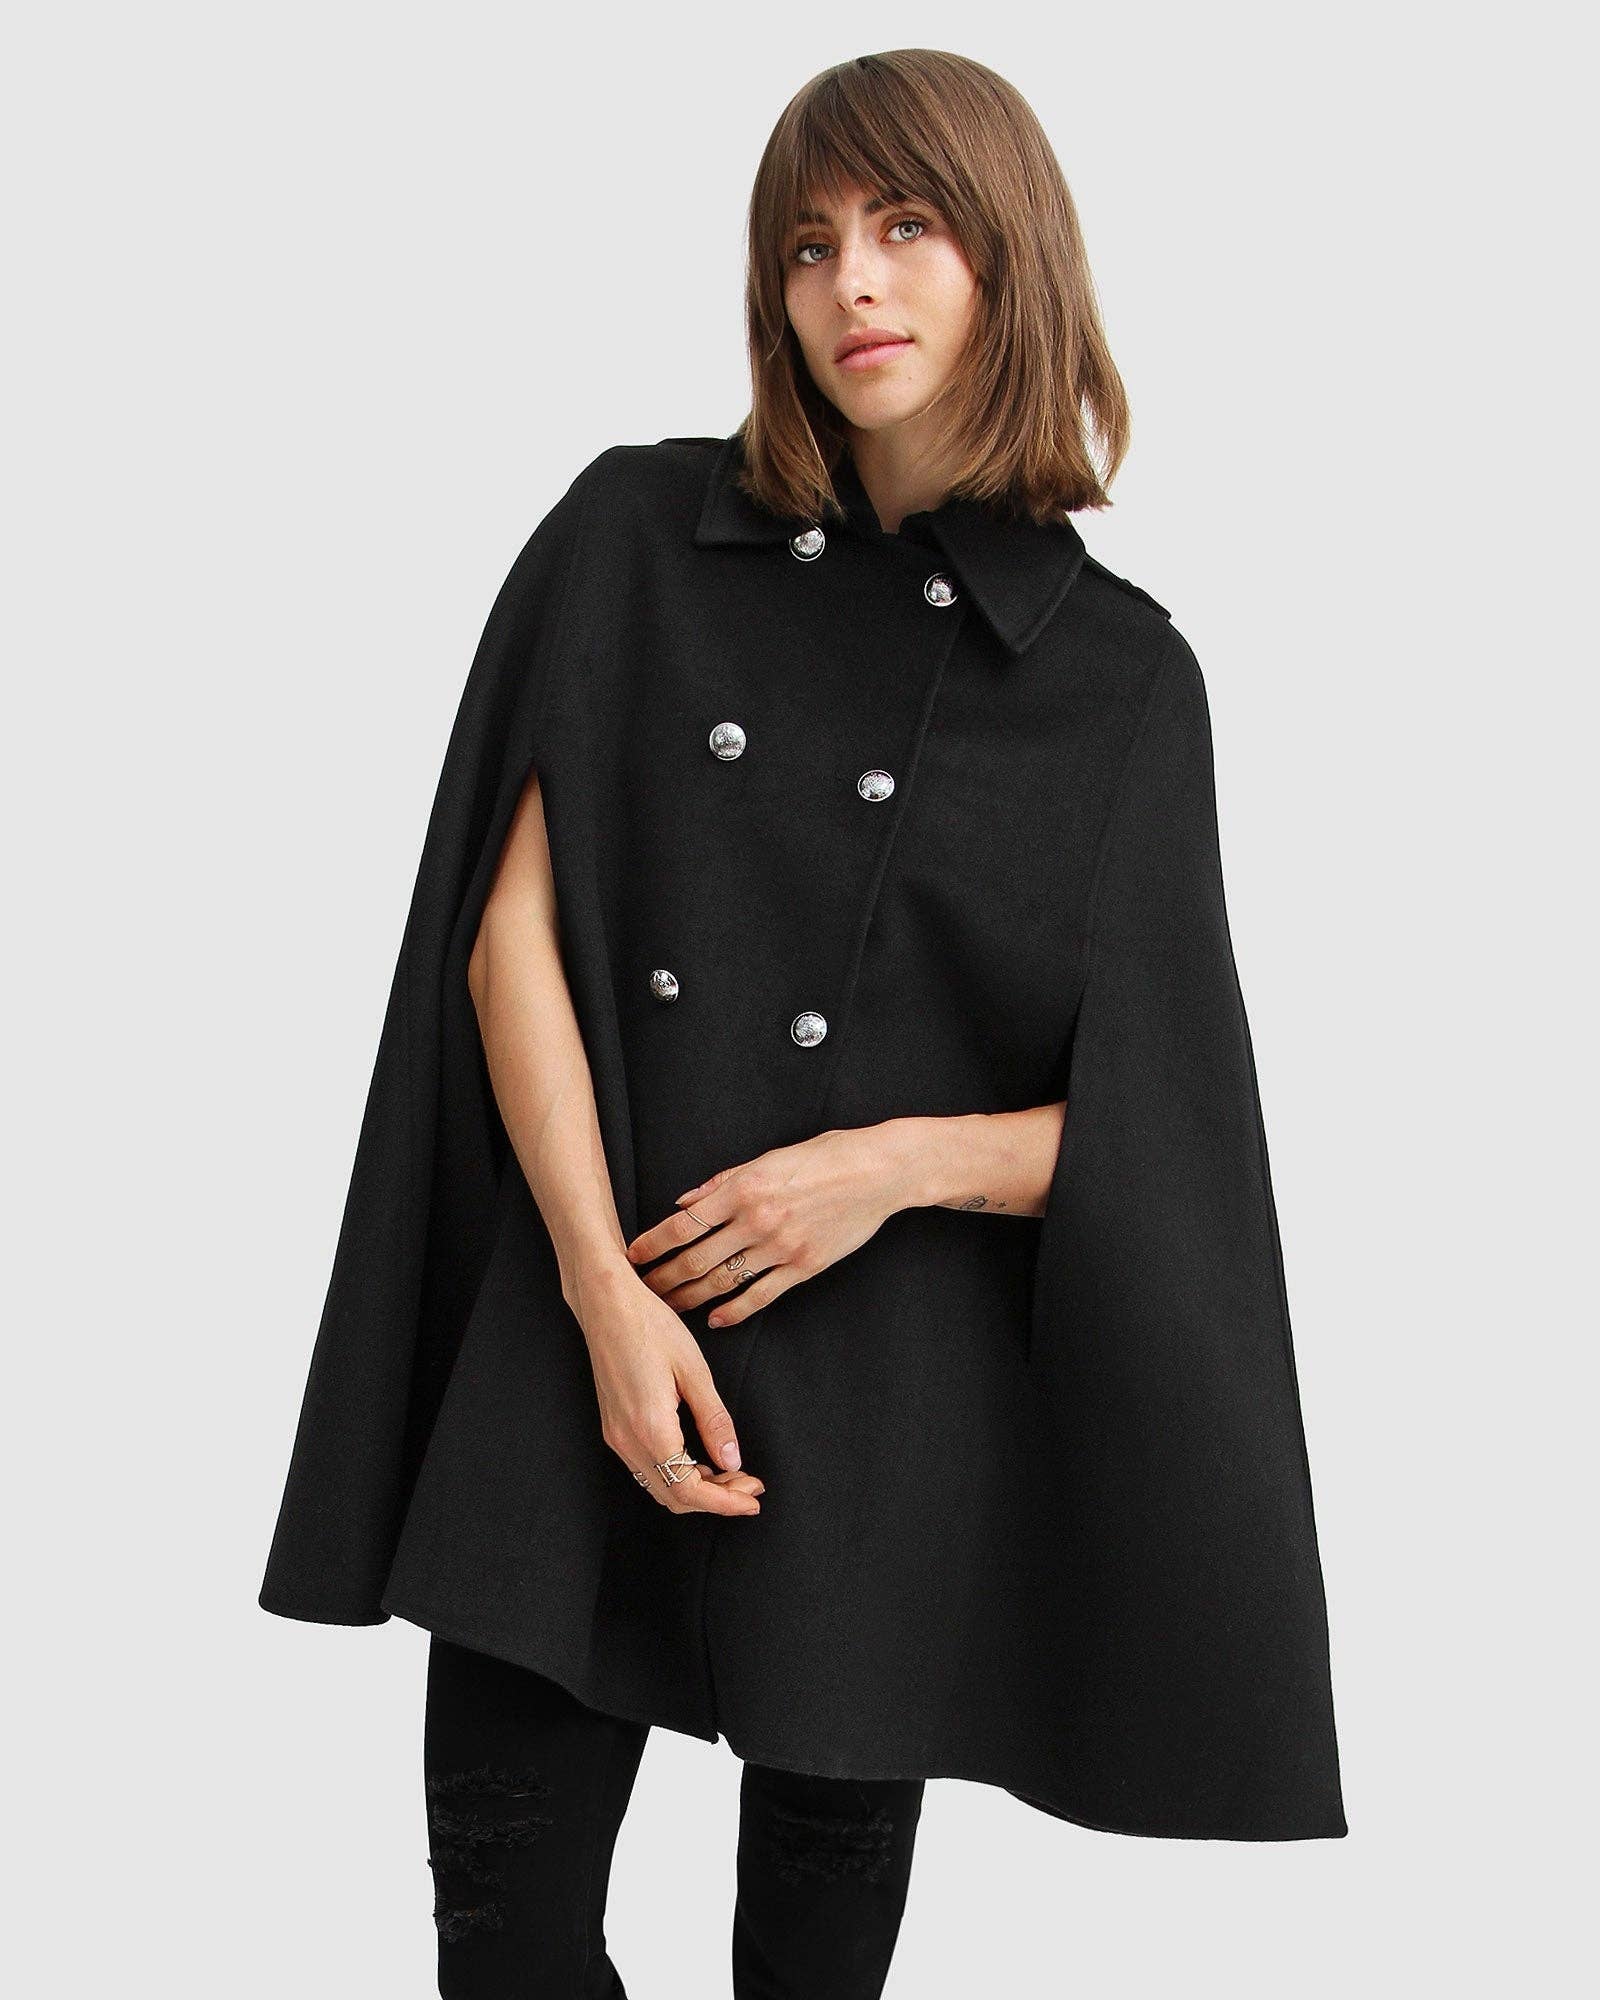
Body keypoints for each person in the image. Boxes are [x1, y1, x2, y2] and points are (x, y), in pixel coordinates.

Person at [260, 47, 1347, 1999]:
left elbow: (1156, 1123)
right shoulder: (633, 533)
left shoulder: (1113, 679)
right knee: (503, 1946)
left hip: (879, 1424)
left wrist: (883, 1166)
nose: (852, 281)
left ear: (1008, 257)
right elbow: (510, 938)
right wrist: (600, 1292)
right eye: (808, 241)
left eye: (905, 226)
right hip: (578, 1334)